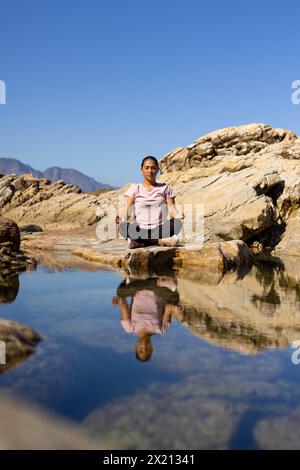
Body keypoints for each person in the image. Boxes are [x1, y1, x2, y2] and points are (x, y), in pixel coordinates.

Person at [116, 156, 184, 249]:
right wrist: (121, 217)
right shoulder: (135, 188)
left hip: (159, 229)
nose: (150, 171)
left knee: (177, 223)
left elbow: (172, 209)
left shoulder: (165, 188)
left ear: (157, 170)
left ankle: (140, 242)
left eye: (153, 168)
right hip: (139, 229)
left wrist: (177, 215)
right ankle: (158, 241)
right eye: (146, 168)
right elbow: (128, 210)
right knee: (123, 227)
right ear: (141, 169)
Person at [112, 276, 181, 362]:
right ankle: (154, 282)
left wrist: (118, 300)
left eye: (140, 350)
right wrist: (175, 309)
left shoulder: (129, 327)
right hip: (158, 290)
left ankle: (153, 282)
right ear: (152, 349)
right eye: (148, 350)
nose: (144, 347)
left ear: (136, 347)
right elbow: (169, 306)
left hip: (138, 289)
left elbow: (123, 304)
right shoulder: (160, 329)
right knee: (174, 299)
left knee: (120, 292)